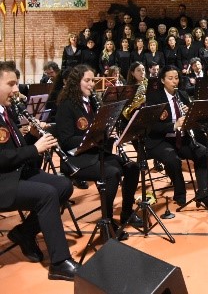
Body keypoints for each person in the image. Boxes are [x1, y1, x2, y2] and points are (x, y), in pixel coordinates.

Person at [0, 61, 80, 280]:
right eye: (11, 84)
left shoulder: (5, 111)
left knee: (63, 185)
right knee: (47, 195)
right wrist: (34, 149)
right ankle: (60, 262)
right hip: (3, 181)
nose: (17, 90)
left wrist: (31, 137)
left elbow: (13, 148)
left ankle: (25, 233)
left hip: (15, 172)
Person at [55, 64, 140, 237]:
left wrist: (108, 132)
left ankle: (126, 213)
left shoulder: (92, 102)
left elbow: (99, 129)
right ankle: (106, 224)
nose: (91, 84)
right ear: (75, 83)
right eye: (87, 81)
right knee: (112, 173)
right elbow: (66, 141)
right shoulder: (66, 105)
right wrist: (94, 135)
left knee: (132, 167)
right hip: (76, 159)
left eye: (93, 80)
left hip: (93, 153)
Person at [144, 65, 208, 209]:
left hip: (182, 138)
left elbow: (193, 123)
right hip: (160, 140)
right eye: (170, 78)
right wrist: (173, 125)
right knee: (173, 160)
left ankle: (204, 194)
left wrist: (190, 115)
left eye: (176, 78)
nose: (174, 81)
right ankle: (180, 194)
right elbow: (150, 126)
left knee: (203, 153)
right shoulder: (154, 98)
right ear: (163, 80)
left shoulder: (182, 95)